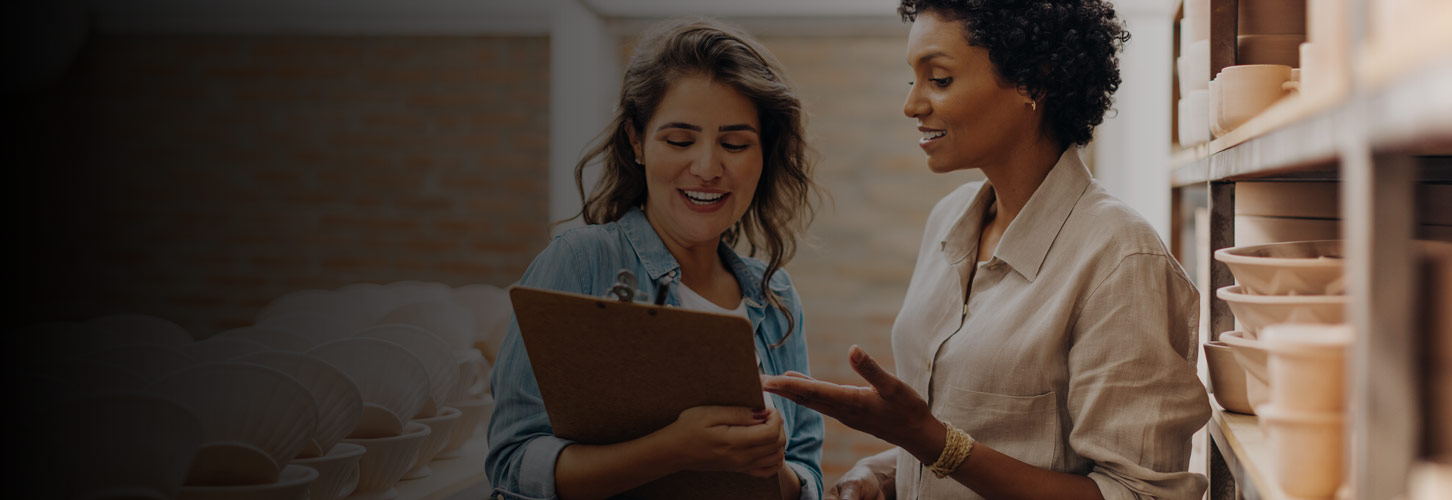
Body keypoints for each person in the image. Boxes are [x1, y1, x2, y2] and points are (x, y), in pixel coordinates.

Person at [761, 1, 1211, 499]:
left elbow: (1139, 493)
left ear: (1032, 82)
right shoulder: (949, 221)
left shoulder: (1120, 259)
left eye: (940, 79)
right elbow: (982, 433)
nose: (912, 105)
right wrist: (888, 472)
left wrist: (928, 442)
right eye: (912, 80)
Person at [486, 18, 825, 500]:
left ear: (763, 154)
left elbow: (806, 476)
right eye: (680, 140)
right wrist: (675, 449)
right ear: (636, 141)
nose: (708, 168)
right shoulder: (581, 264)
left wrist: (771, 465)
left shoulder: (776, 298)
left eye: (734, 143)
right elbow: (513, 464)